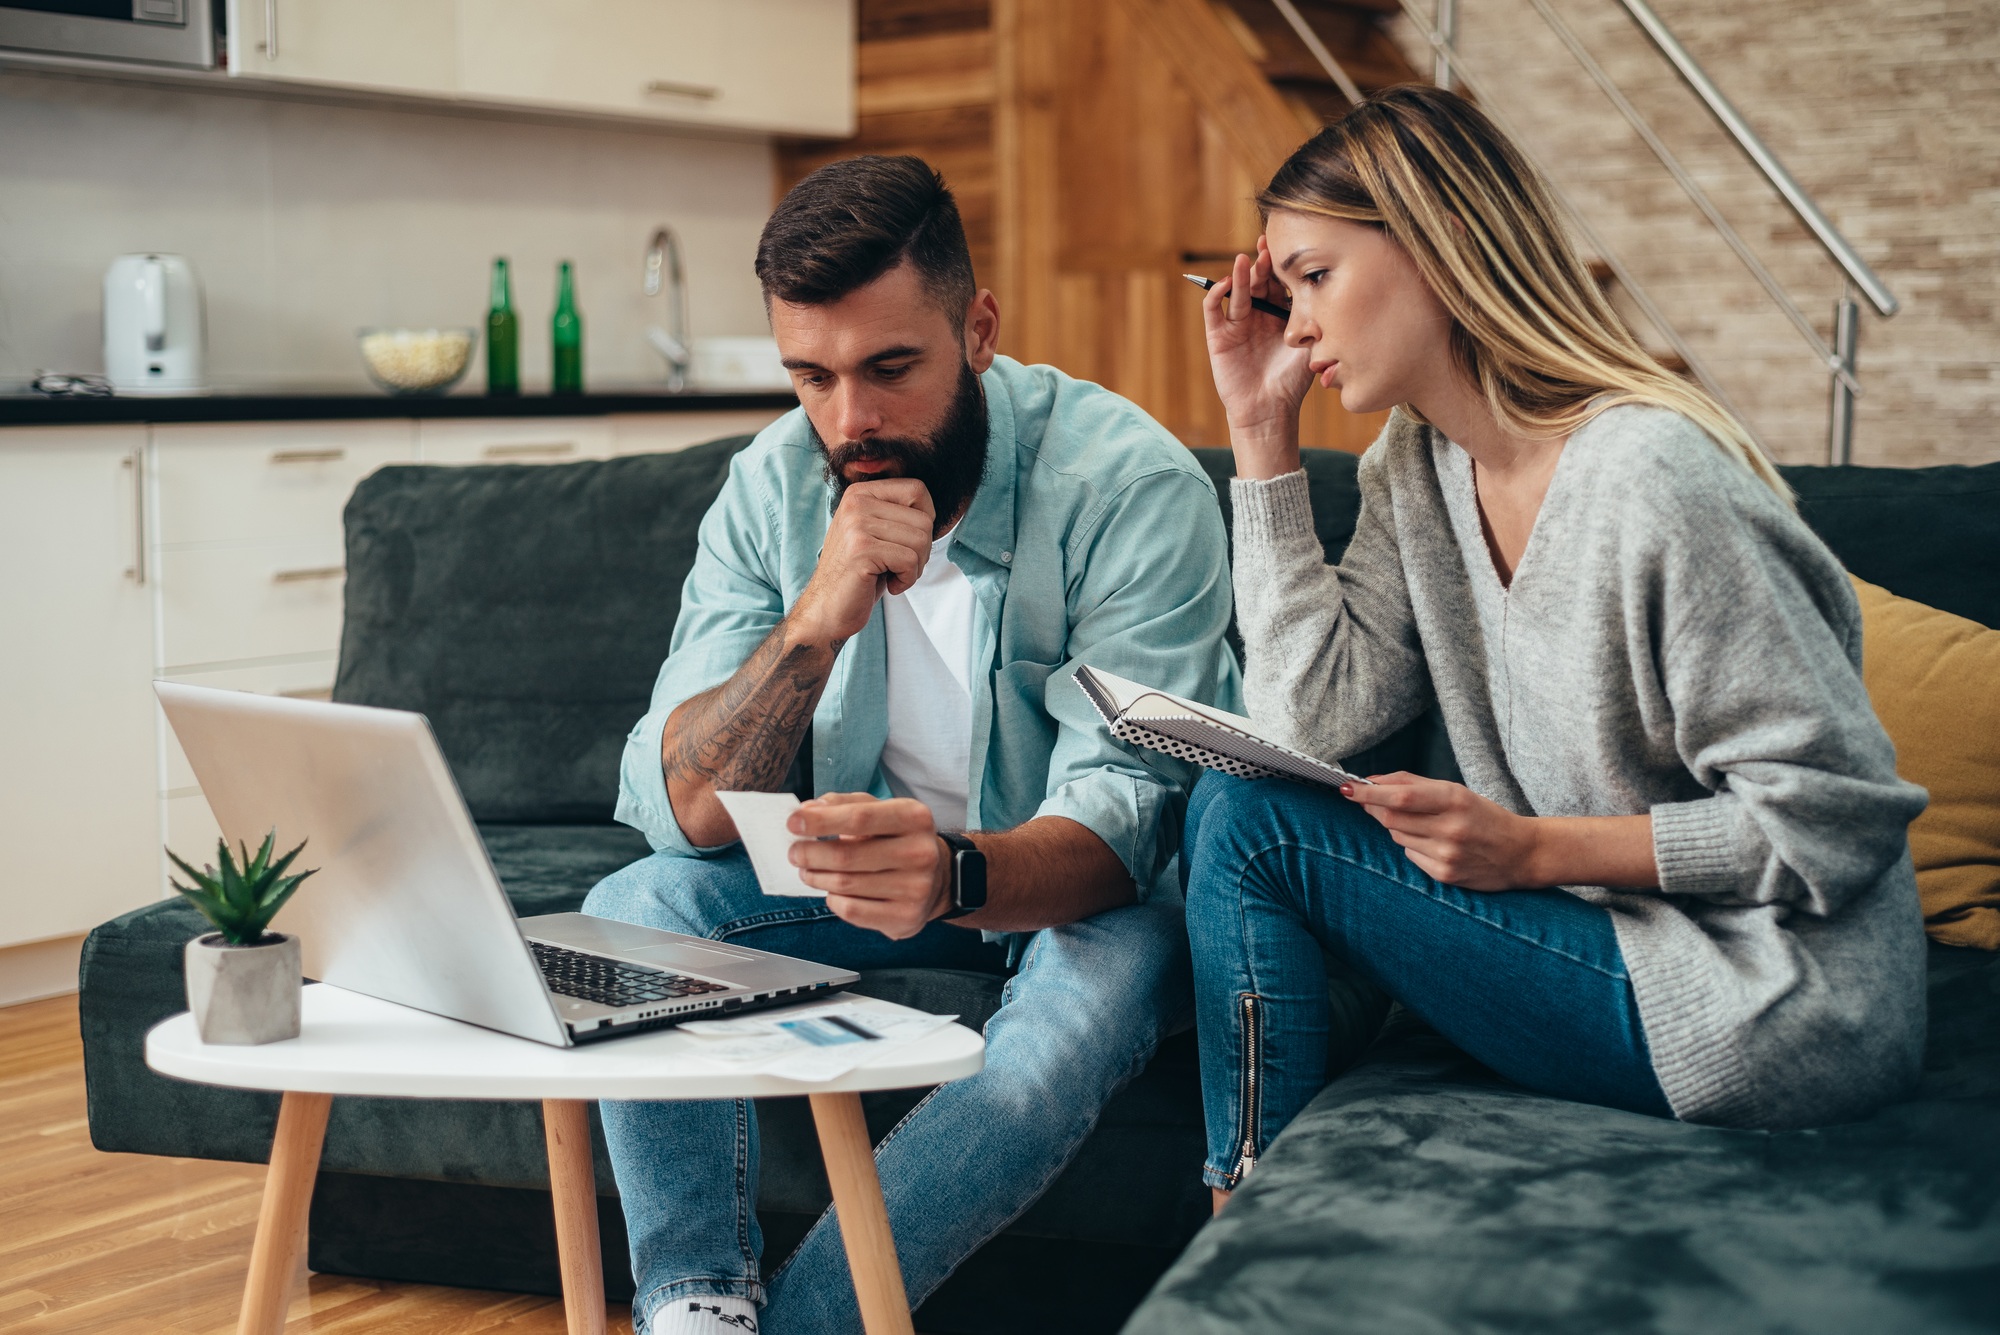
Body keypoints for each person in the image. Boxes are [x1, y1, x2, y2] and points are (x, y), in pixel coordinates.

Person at [1187, 85, 1928, 1210]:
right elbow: (1309, 721)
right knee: (1228, 797)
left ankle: (1244, 1221)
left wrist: (1533, 852)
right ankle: (1253, 1210)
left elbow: (1832, 820)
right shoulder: (1417, 468)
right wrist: (1258, 433)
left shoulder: (1651, 481)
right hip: (1609, 936)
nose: (1294, 329)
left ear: (1437, 242)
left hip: (1773, 997)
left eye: (1316, 276)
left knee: (1253, 833)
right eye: (1286, 289)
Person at [584, 154, 1239, 1334]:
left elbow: (1130, 822)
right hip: (865, 882)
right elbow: (681, 807)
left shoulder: (1127, 485)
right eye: (811, 377)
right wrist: (814, 621)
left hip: (1079, 898)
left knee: (1067, 1024)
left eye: (890, 369)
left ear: (977, 330)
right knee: (632, 908)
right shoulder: (772, 486)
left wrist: (949, 875)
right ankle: (693, 1306)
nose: (851, 422)